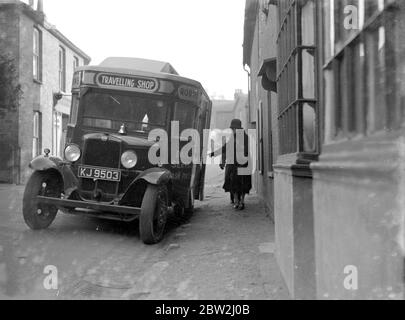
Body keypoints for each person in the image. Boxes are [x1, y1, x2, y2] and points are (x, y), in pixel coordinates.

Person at [210, 119, 252, 210]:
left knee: (243, 183)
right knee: (234, 183)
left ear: (237, 128)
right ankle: (237, 201)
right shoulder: (233, 137)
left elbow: (246, 150)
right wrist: (214, 153)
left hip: (243, 163)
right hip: (235, 164)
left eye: (233, 128)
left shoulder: (245, 137)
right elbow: (225, 147)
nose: (232, 130)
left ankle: (242, 202)